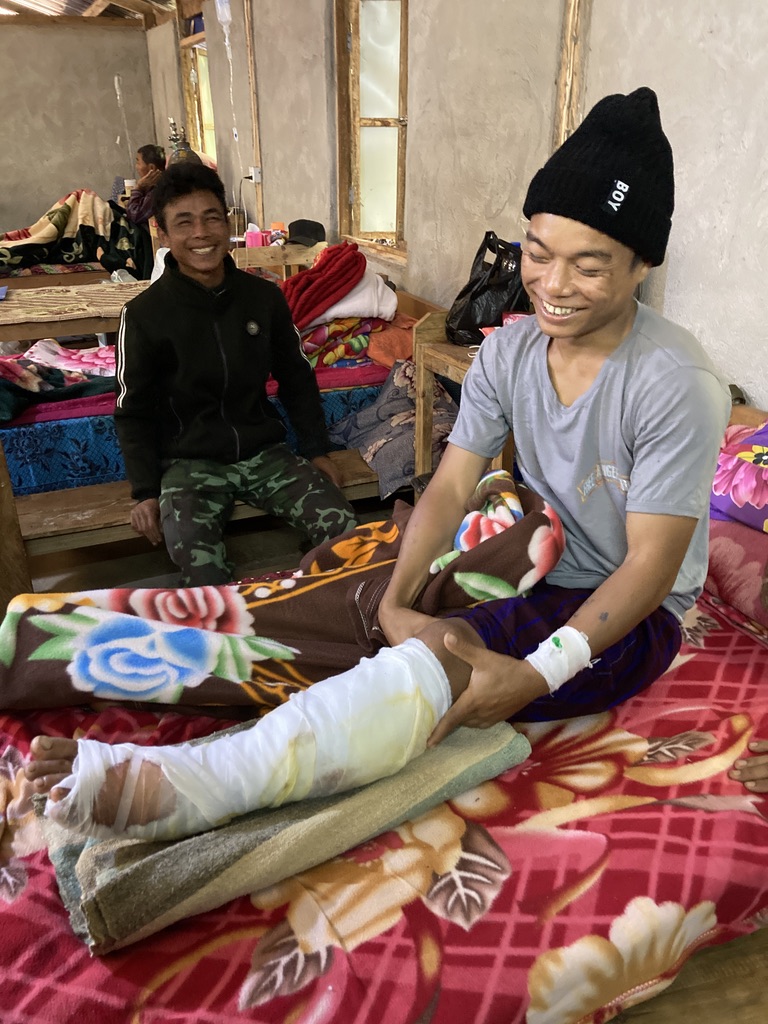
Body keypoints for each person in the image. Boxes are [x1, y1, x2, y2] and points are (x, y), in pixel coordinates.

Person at [26, 87, 731, 839]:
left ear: (640, 266)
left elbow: (650, 570)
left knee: (442, 665)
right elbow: (454, 481)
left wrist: (533, 676)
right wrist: (399, 598)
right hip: (526, 549)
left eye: (589, 266)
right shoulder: (513, 350)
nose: (553, 286)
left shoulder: (674, 384)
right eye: (538, 252)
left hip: (626, 613)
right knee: (338, 604)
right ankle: (38, 647)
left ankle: (200, 782)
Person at [114, 161, 358, 586]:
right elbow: (133, 411)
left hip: (265, 455)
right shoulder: (144, 315)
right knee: (199, 563)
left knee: (343, 530)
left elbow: (297, 377)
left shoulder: (263, 298)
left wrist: (317, 451)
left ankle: (320, 607)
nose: (201, 234)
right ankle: (231, 639)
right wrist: (145, 492)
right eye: (184, 222)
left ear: (227, 222)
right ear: (164, 233)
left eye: (212, 218)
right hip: (190, 464)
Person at [125, 144, 166, 226]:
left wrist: (138, 187)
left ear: (151, 168)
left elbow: (135, 216)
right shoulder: (152, 185)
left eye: (138, 162)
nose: (136, 167)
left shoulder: (159, 189)